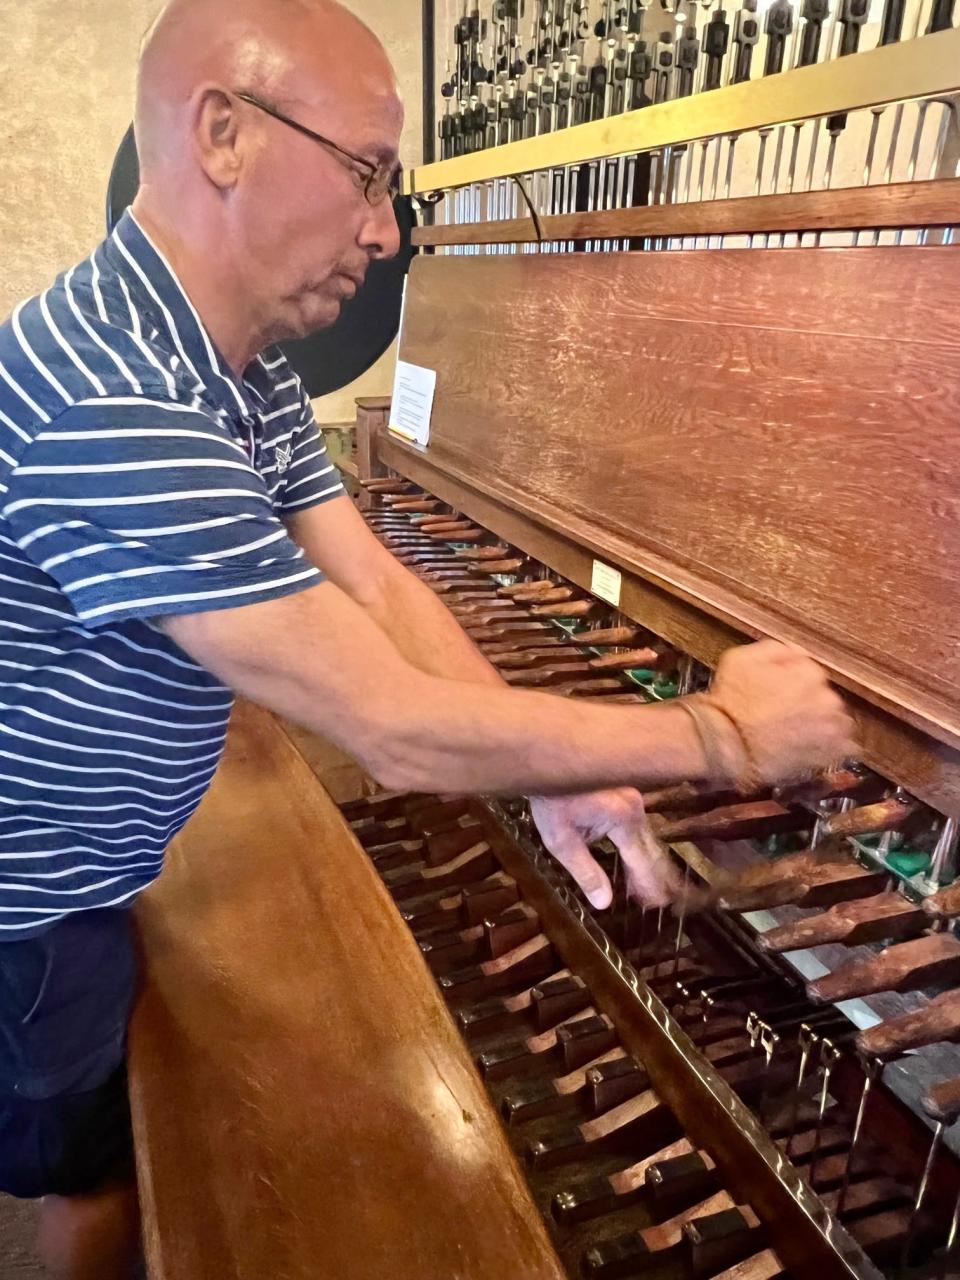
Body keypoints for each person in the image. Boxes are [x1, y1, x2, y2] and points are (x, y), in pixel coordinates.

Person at [0, 0, 855, 1275]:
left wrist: (553, 786)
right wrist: (718, 733)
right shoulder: (114, 394)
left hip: (101, 853)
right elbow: (389, 727)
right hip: (39, 895)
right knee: (87, 1179)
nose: (385, 229)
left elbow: (378, 586)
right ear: (223, 133)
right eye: (366, 174)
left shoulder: (238, 356)